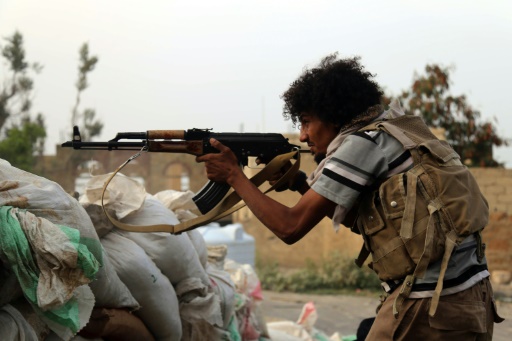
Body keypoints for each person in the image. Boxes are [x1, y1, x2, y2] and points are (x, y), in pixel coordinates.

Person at [196, 53, 503, 340]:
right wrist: (302, 186)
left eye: (305, 121)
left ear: (332, 116)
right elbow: (376, 222)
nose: (302, 135)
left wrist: (233, 175)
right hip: (471, 297)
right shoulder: (399, 129)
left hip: (430, 304)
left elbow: (290, 227)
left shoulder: (361, 144)